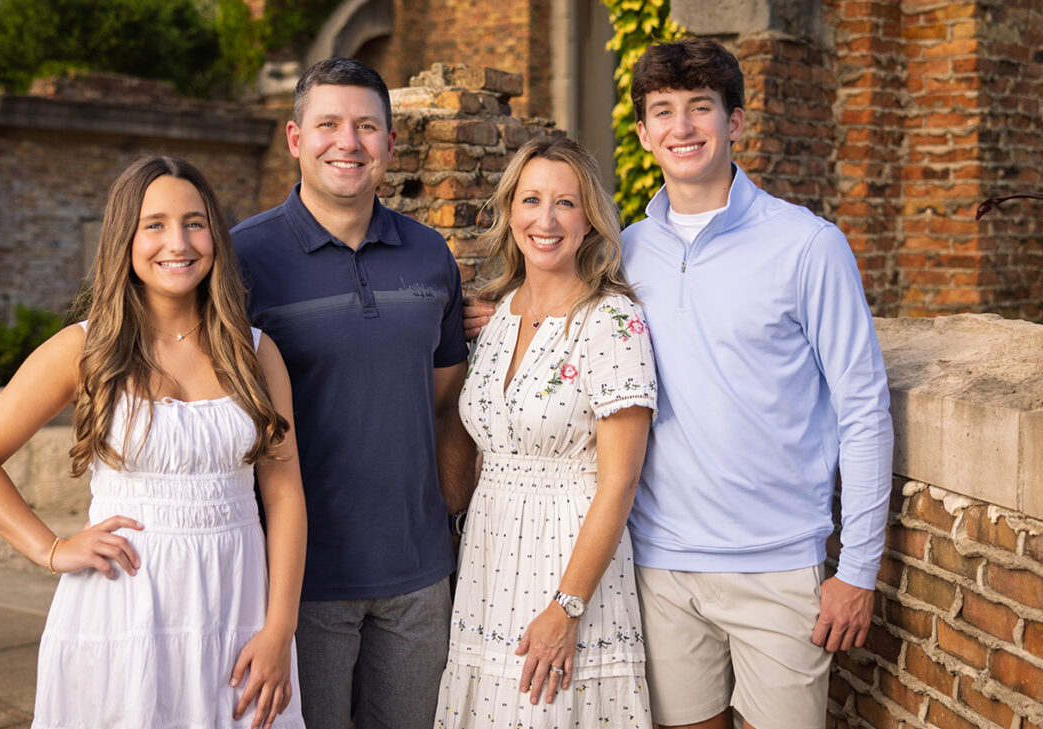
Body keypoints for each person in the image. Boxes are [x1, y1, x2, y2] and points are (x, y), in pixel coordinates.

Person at [465, 37, 894, 729]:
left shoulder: (808, 246)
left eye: (702, 108)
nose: (683, 127)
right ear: (641, 132)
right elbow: (554, 316)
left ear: (737, 122)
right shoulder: (622, 252)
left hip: (777, 563)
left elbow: (865, 411)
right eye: (663, 111)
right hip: (655, 566)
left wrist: (859, 569)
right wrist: (496, 316)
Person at [0, 155, 307, 729]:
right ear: (124, 239)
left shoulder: (255, 352)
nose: (178, 242)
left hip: (235, 611)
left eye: (194, 222)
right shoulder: (84, 350)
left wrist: (279, 629)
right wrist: (52, 549)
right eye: (154, 224)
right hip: (123, 610)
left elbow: (285, 496)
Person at [229, 58, 470, 729]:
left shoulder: (430, 255)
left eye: (367, 126)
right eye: (328, 124)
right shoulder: (241, 260)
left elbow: (442, 395)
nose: (349, 142)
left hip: (419, 575)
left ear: (391, 145)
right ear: (294, 138)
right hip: (300, 582)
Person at [435, 134, 656, 728]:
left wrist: (567, 607)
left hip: (570, 564)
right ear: (511, 213)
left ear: (590, 219)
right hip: (490, 558)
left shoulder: (612, 321)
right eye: (531, 200)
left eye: (566, 202)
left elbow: (620, 483)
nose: (546, 219)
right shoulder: (495, 314)